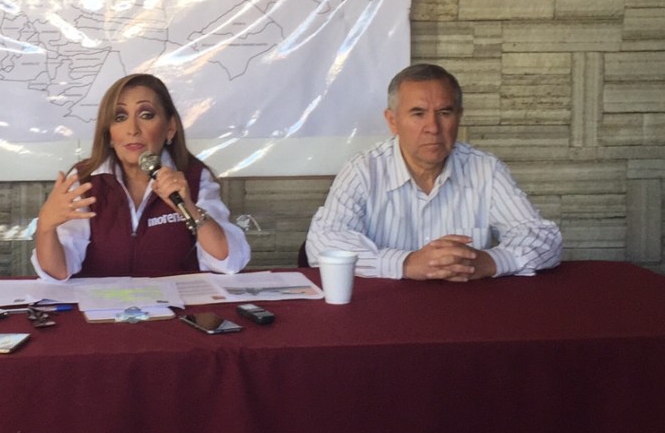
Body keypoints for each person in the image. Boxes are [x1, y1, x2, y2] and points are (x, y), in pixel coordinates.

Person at [303, 63, 561, 281]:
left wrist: (491, 261)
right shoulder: (363, 170)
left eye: (444, 113)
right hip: (385, 311)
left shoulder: (485, 169)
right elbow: (323, 243)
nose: (433, 127)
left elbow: (544, 239)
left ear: (459, 116)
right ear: (393, 121)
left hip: (464, 309)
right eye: (418, 114)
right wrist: (406, 263)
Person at [33, 74, 250, 280]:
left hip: (178, 304)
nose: (132, 129)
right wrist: (46, 227)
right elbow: (58, 272)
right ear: (109, 134)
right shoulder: (85, 180)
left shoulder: (194, 177)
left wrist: (189, 208)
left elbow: (230, 262)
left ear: (170, 128)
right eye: (120, 117)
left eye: (146, 115)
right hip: (103, 305)